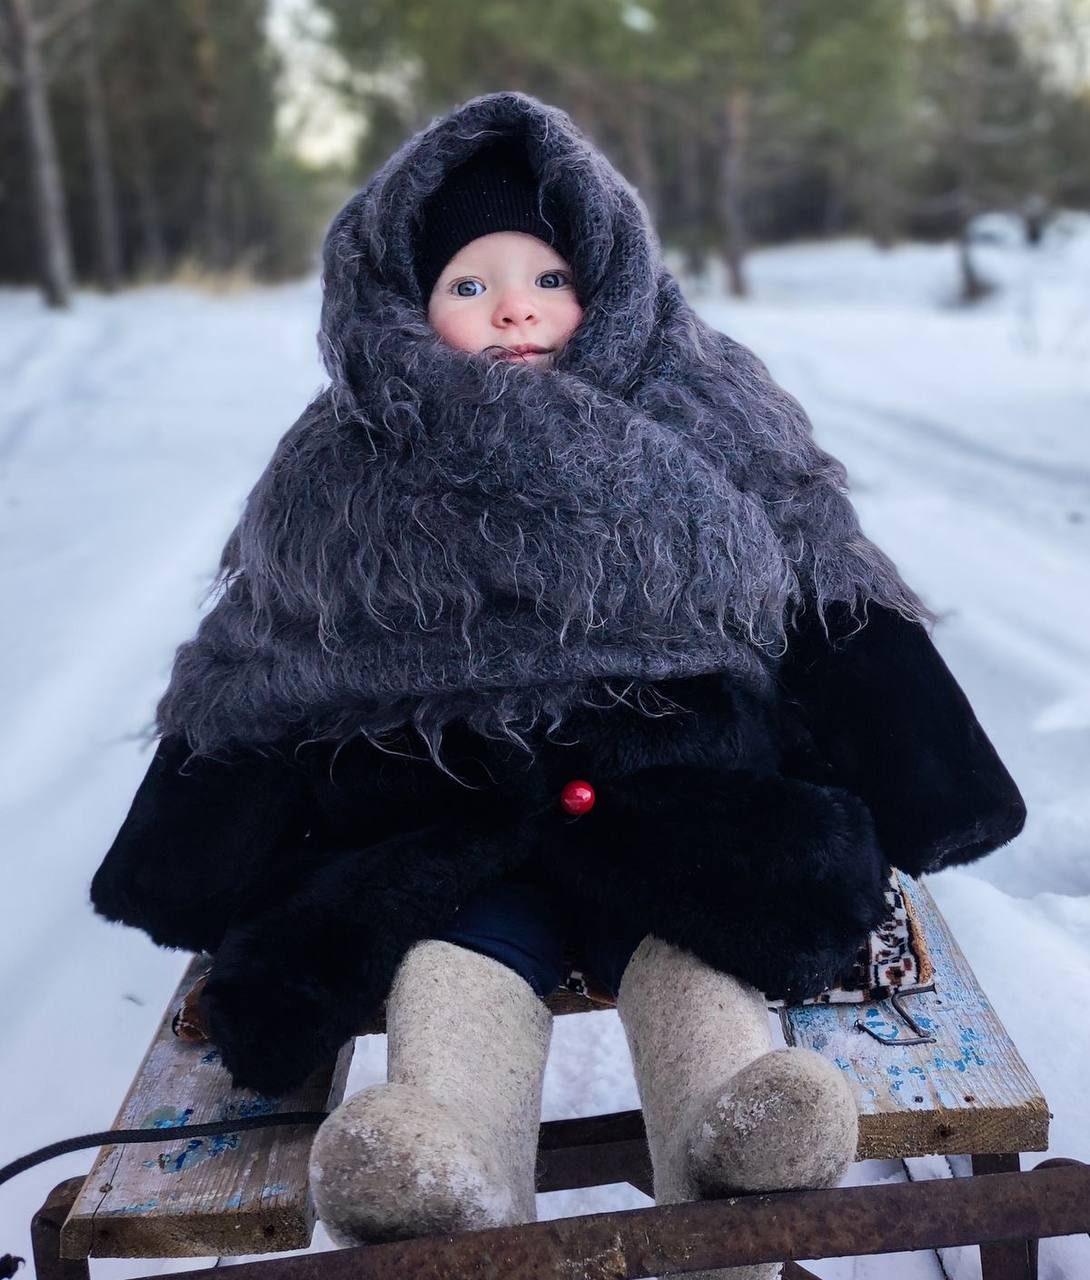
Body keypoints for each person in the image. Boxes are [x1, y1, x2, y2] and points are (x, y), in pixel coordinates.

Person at [89, 92, 1026, 1280]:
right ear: (403, 303)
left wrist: (935, 783)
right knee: (451, 963)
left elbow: (820, 577)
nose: (516, 305)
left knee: (698, 948)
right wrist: (181, 858)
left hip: (669, 799)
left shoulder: (705, 407)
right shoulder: (343, 462)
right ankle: (439, 1170)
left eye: (547, 275)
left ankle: (734, 1137)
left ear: (609, 280)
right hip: (454, 810)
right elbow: (261, 658)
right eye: (469, 285)